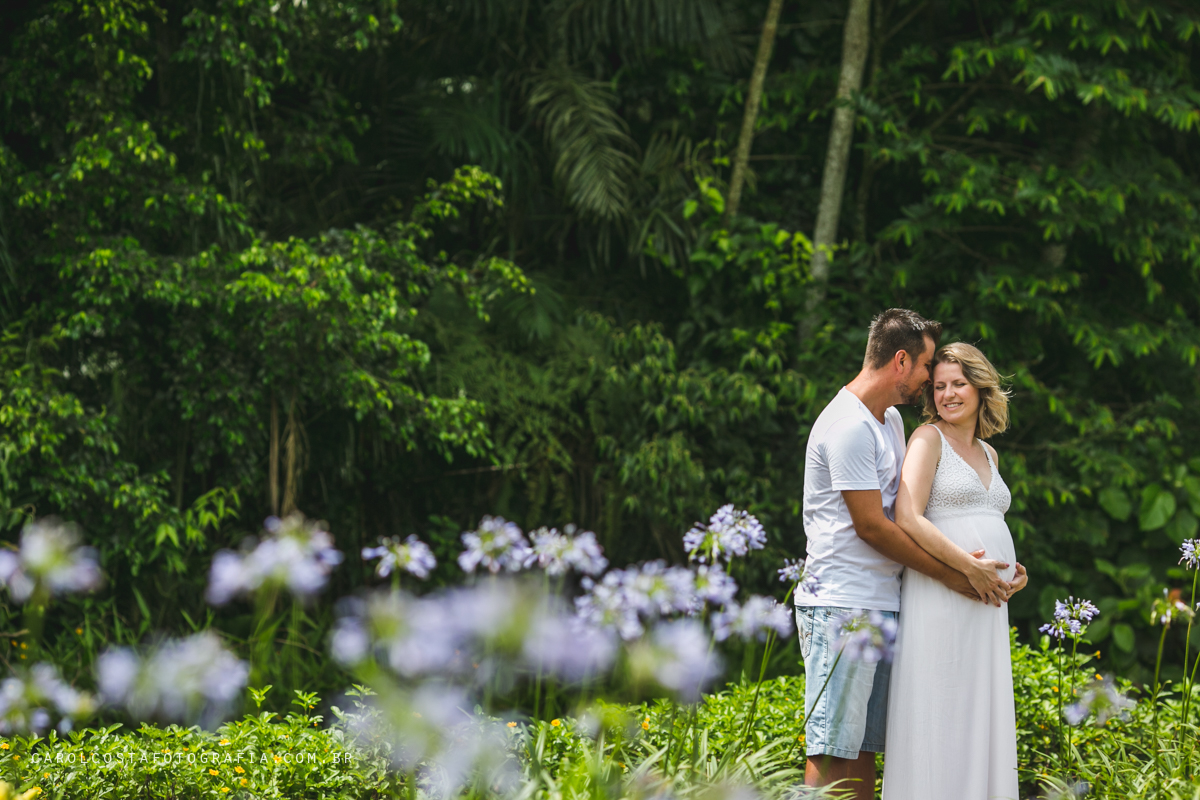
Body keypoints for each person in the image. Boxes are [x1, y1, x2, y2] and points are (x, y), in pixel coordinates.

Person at [796, 310, 1011, 800]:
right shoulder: (847, 426)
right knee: (832, 748)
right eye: (928, 367)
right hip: (842, 603)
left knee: (864, 748)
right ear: (901, 361)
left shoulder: (888, 420)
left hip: (884, 601)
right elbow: (874, 525)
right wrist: (954, 574)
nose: (930, 382)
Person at [882, 342, 1029, 800]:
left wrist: (1010, 574)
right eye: (940, 386)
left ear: (981, 388)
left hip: (986, 605)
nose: (947, 394)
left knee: (978, 706)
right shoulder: (928, 439)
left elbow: (987, 521)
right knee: (943, 701)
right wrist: (969, 567)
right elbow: (907, 516)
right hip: (941, 594)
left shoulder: (989, 453)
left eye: (959, 384)